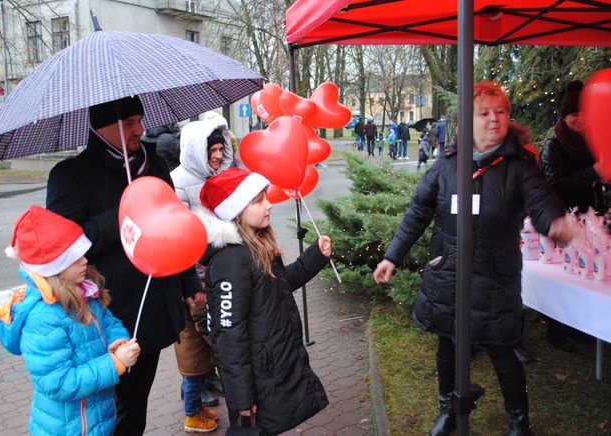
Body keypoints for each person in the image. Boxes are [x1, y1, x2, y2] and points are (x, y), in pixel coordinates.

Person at [373, 81, 579, 436]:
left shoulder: (519, 164)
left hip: (494, 276)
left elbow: (541, 201)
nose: (494, 119)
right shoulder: (448, 163)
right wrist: (393, 256)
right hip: (448, 271)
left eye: (500, 112)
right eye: (484, 113)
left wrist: (556, 223)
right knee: (448, 342)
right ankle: (448, 407)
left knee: (502, 349)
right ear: (469, 120)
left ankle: (519, 422)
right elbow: (418, 211)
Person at [46, 96, 202, 435]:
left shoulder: (154, 163)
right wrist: (124, 214)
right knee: (114, 409)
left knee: (136, 401)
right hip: (108, 313)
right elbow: (64, 243)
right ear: (103, 127)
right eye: (129, 123)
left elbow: (174, 223)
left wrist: (189, 281)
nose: (140, 129)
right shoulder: (70, 175)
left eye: (140, 120)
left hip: (155, 303)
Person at [195, 168, 332, 435]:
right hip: (257, 379)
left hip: (271, 369)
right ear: (237, 210)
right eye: (258, 201)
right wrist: (242, 402)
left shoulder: (254, 246)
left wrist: (315, 256)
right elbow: (228, 336)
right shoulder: (230, 262)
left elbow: (277, 287)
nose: (269, 204)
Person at [0, 205, 140, 435]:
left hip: (95, 418)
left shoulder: (84, 292)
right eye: (74, 257)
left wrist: (118, 340)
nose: (84, 261)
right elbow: (59, 383)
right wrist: (115, 363)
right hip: (68, 428)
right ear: (54, 267)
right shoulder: (43, 319)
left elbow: (109, 322)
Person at [170, 113, 236, 432]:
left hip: (216, 267)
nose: (218, 157)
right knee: (197, 343)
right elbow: (182, 233)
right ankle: (193, 407)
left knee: (212, 337)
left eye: (221, 151)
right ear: (198, 150)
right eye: (212, 153)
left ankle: (199, 400)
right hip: (194, 275)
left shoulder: (217, 176)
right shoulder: (178, 182)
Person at [540, 79, 609, 353]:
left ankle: (582, 326)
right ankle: (555, 328)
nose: (580, 120)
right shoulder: (554, 145)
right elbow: (553, 182)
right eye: (573, 115)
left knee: (587, 272)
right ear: (564, 116)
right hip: (564, 218)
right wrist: (593, 171)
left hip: (592, 217)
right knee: (564, 273)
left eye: (584, 115)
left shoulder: (595, 140)